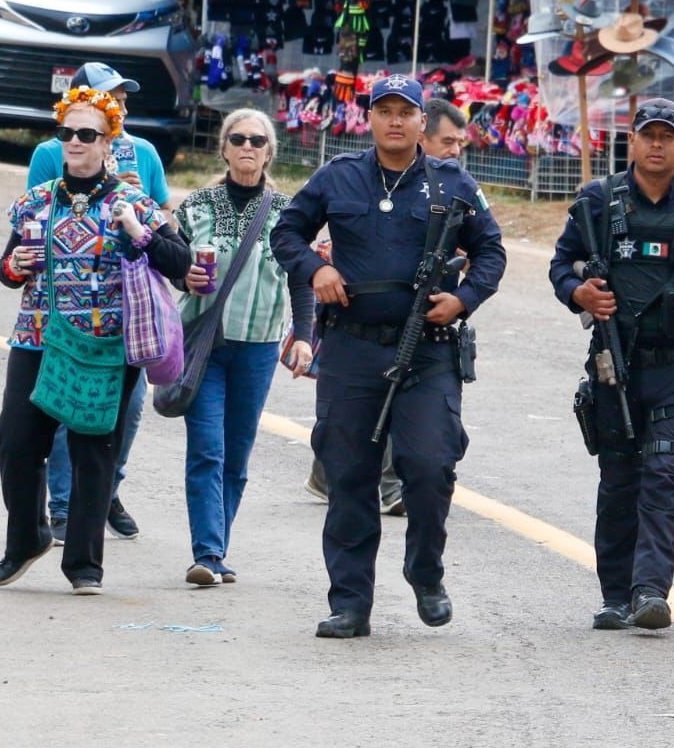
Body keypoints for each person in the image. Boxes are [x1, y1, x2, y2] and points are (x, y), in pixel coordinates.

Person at [271, 75, 506, 639]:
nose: (395, 121)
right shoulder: (339, 176)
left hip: (427, 350)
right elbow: (287, 234)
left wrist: (464, 299)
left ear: (424, 122)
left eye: (407, 111)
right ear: (369, 119)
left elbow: (491, 250)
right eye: (385, 111)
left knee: (429, 465)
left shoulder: (452, 184)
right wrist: (317, 269)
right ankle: (351, 602)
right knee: (350, 476)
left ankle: (425, 571)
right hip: (352, 348)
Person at [549, 98, 674, 632]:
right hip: (615, 366)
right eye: (648, 135)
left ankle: (650, 590)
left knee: (665, 476)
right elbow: (559, 266)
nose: (657, 144)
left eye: (668, 136)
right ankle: (615, 594)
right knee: (619, 481)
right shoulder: (598, 202)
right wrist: (580, 294)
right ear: (633, 141)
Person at [0, 87, 189, 594]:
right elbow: (7, 267)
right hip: (38, 339)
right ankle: (27, 538)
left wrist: (139, 234)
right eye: (66, 133)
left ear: (108, 142)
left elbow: (182, 265)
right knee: (15, 441)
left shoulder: (133, 202)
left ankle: (83, 564)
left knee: (94, 450)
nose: (74, 142)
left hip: (106, 345)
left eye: (86, 134)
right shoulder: (35, 200)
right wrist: (14, 267)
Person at [28, 62, 170, 545]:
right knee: (71, 410)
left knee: (127, 412)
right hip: (64, 309)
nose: (123, 105)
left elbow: (161, 214)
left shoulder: (145, 151)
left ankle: (106, 488)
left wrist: (133, 208)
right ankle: (65, 505)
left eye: (124, 98)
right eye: (113, 97)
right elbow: (35, 217)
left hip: (126, 303)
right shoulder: (50, 153)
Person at [173, 109, 316, 587]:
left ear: (270, 151)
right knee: (207, 449)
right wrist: (183, 275)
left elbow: (302, 280)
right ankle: (207, 552)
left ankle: (217, 550)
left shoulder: (287, 213)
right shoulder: (196, 206)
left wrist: (305, 338)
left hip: (258, 348)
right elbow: (170, 263)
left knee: (237, 454)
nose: (248, 147)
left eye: (258, 140)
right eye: (239, 139)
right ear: (224, 148)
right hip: (205, 345)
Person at [300, 236, 406, 518]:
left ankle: (326, 477)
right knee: (362, 409)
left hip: (406, 305)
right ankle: (390, 486)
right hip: (352, 311)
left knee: (389, 401)